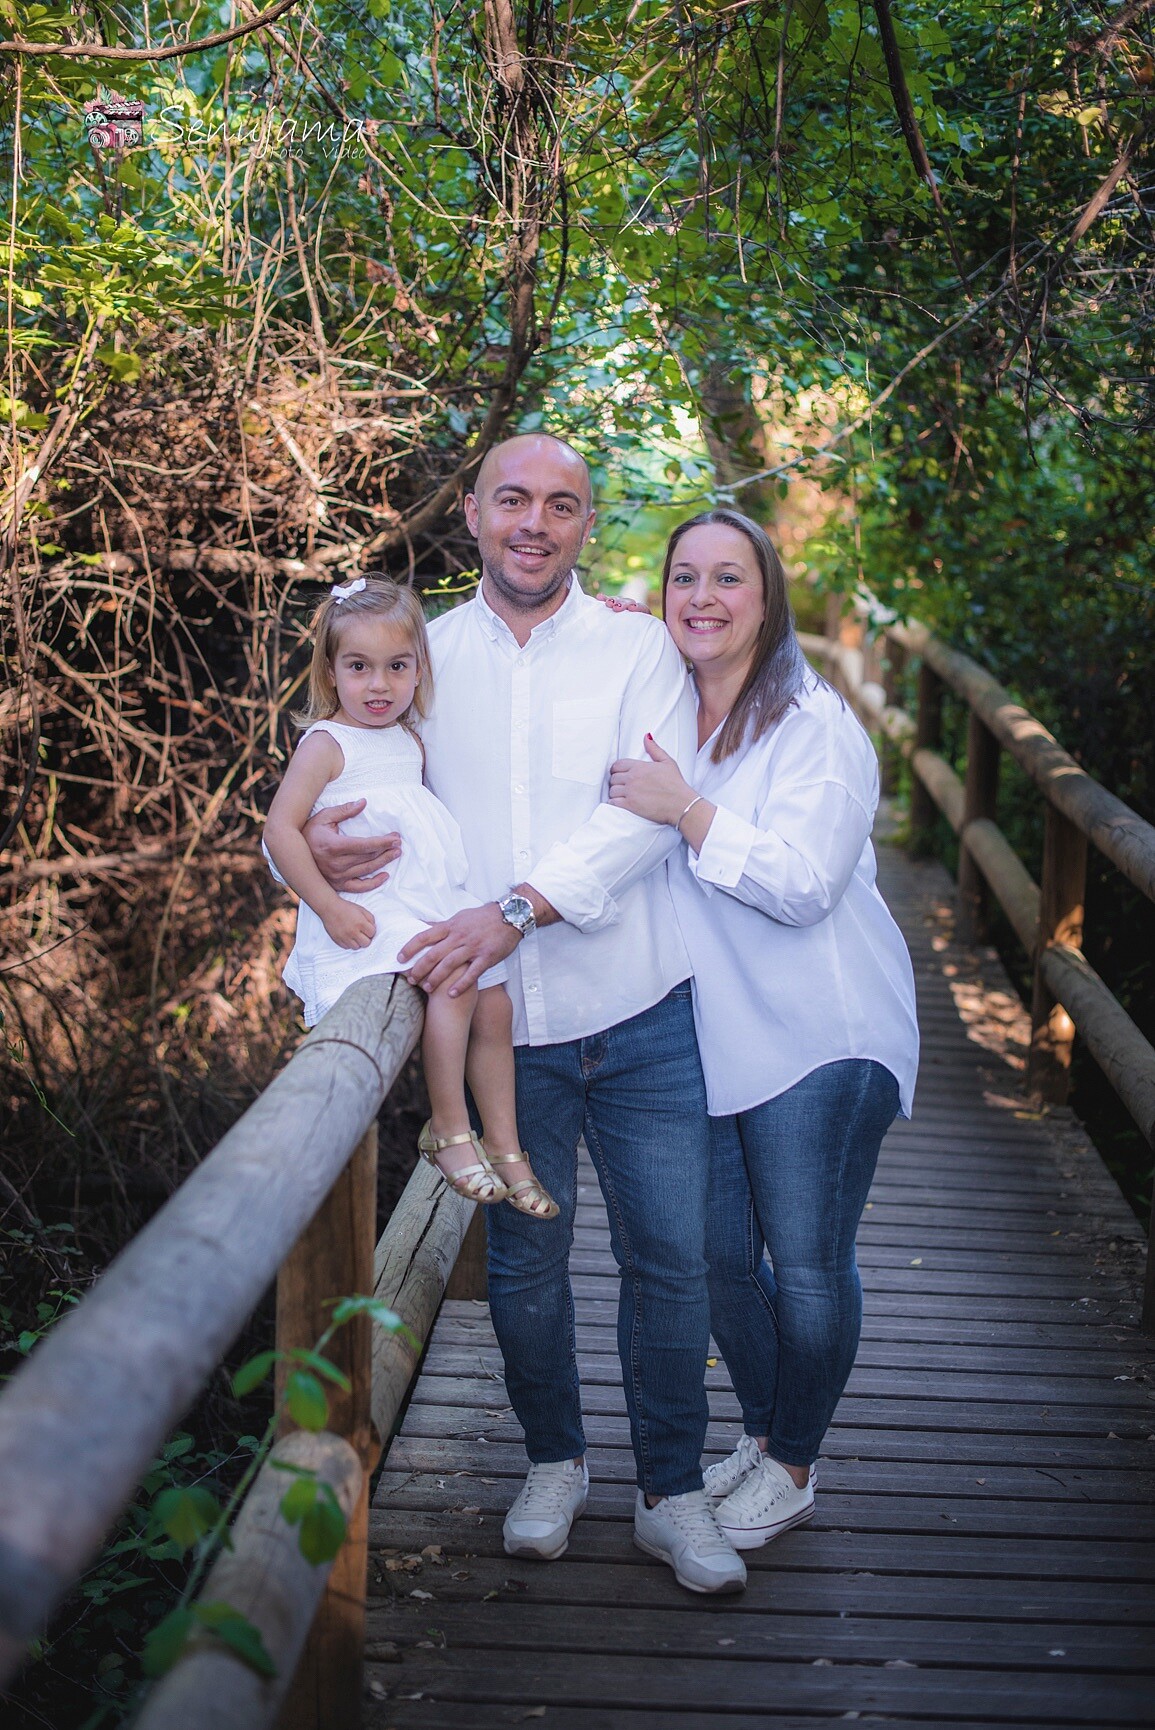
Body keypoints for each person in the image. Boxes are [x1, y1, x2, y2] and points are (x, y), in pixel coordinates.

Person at [300, 435, 748, 1594]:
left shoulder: (643, 650)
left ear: (588, 523)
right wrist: (336, 855)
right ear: (473, 513)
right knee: (524, 1266)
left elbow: (647, 817)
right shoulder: (420, 660)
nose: (534, 523)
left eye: (561, 504)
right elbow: (335, 804)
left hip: (640, 1003)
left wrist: (518, 905)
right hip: (504, 1028)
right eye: (513, 500)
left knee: (671, 1259)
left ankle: (672, 1490)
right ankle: (555, 1460)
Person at [608, 508, 919, 1550]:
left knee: (809, 1260)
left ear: (769, 594)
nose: (701, 596)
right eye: (682, 576)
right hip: (728, 1036)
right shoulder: (677, 705)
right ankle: (767, 1427)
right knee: (720, 1254)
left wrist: (687, 809)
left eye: (727, 577)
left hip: (826, 1035)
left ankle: (792, 1460)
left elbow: (803, 883)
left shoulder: (813, 724)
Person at [263, 574, 556, 1218]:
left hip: (426, 897)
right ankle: (449, 1129)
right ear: (331, 672)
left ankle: (504, 1143)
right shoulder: (326, 745)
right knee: (452, 978)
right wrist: (328, 904)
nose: (379, 685)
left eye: (397, 667)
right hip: (373, 908)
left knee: (496, 1001)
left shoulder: (408, 740)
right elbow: (279, 831)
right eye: (359, 667)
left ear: (419, 668)